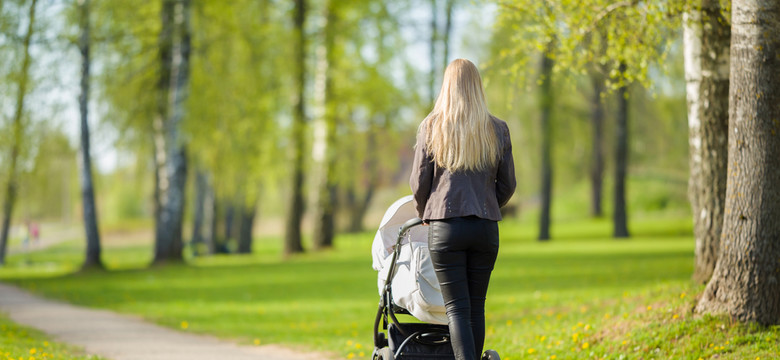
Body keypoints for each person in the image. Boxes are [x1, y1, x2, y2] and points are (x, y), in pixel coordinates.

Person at [410, 58, 516, 360]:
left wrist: (424, 212)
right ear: (477, 87)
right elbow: (507, 185)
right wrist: (486, 204)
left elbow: (419, 182)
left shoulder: (432, 127)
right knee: (476, 306)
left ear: (447, 87)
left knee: (456, 309)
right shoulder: (497, 129)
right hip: (484, 227)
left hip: (445, 226)